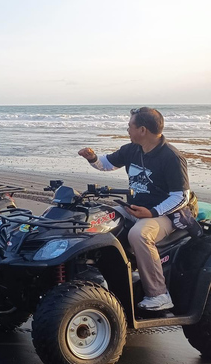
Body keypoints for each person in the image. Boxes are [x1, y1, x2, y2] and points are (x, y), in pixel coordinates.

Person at [78, 106, 190, 311]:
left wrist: (152, 212)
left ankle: (159, 294)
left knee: (139, 234)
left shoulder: (171, 157)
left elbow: (181, 197)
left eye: (130, 126)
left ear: (143, 130)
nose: (127, 129)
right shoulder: (132, 149)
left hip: (164, 215)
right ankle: (96, 281)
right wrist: (92, 158)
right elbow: (107, 164)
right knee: (95, 221)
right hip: (133, 209)